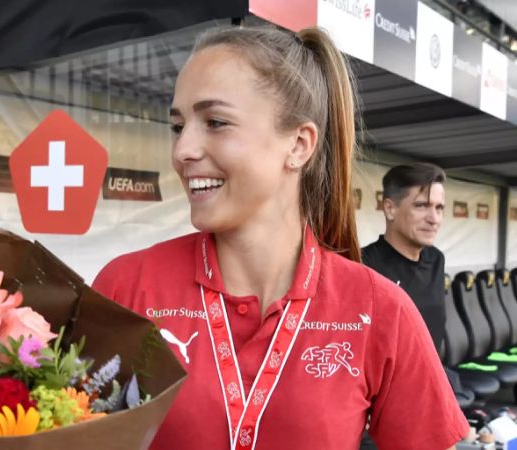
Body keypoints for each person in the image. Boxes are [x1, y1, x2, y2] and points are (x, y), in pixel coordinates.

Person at [93, 26, 467, 450]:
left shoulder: (381, 311)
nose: (182, 151)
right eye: (178, 126)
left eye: (215, 122)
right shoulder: (126, 286)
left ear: (299, 144)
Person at [362, 163, 446, 352]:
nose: (434, 219)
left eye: (439, 208)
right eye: (421, 205)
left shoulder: (436, 260)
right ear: (390, 209)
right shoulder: (363, 265)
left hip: (435, 378)